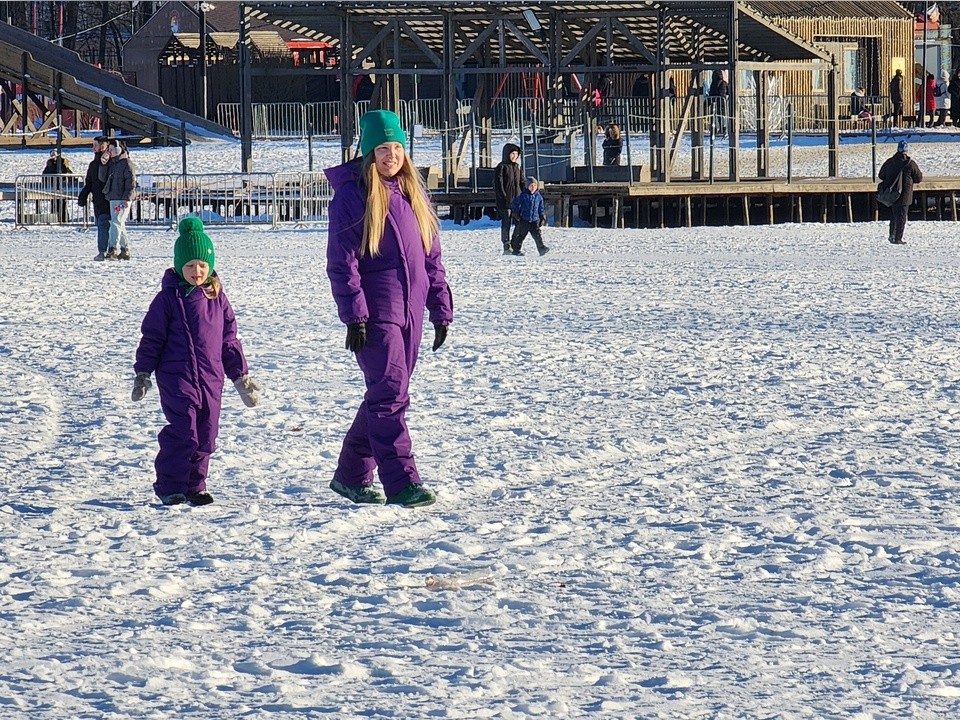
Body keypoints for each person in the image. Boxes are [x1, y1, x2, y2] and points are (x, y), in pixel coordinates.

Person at [325, 109, 454, 508]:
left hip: (411, 311)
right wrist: (355, 315)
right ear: (369, 152)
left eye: (397, 147)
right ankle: (401, 482)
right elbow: (341, 262)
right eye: (383, 148)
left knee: (385, 394)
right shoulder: (353, 195)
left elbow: (430, 257)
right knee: (390, 396)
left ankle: (351, 476)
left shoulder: (414, 193)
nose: (391, 156)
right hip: (378, 312)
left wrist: (440, 307)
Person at [131, 217, 261, 506]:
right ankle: (170, 486)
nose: (196, 271)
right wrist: (143, 372)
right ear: (179, 266)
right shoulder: (167, 299)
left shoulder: (217, 299)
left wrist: (241, 377)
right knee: (183, 431)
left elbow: (229, 340)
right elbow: (151, 337)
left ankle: (195, 485)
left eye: (202, 265)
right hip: (177, 378)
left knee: (206, 434)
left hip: (211, 379)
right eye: (189, 266)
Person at [878, 140, 922, 245]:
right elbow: (919, 178)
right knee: (902, 217)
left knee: (894, 215)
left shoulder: (889, 162)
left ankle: (892, 235)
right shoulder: (910, 163)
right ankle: (898, 238)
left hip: (892, 193)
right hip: (905, 194)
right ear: (906, 150)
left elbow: (881, 175)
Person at [98, 139, 136, 260]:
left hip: (122, 199)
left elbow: (131, 183)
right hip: (113, 197)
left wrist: (127, 197)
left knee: (116, 222)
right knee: (119, 223)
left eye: (111, 149)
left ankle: (113, 248)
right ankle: (125, 249)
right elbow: (103, 178)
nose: (109, 152)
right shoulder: (112, 164)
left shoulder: (127, 163)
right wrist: (103, 164)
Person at [77, 136, 111, 261]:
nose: (93, 148)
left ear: (102, 146)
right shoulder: (93, 164)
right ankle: (109, 250)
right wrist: (83, 195)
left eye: (95, 145)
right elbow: (89, 183)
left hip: (109, 200)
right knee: (105, 225)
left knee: (105, 225)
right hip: (98, 200)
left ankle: (105, 251)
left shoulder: (112, 162)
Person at [493, 142, 523, 255]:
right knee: (506, 223)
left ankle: (515, 245)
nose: (515, 156)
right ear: (507, 154)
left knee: (520, 223)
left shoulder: (517, 167)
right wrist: (504, 198)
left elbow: (522, 182)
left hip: (517, 201)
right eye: (512, 154)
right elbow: (498, 185)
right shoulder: (501, 167)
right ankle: (506, 244)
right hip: (505, 202)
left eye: (516, 154)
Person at [509, 176, 549, 257]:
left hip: (534, 219)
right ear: (527, 186)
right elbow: (515, 204)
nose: (533, 187)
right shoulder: (523, 195)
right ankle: (516, 250)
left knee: (537, 235)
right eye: (531, 186)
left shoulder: (538, 196)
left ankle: (541, 249)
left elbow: (541, 207)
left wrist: (542, 216)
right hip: (524, 219)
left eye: (535, 185)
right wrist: (516, 213)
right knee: (521, 235)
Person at [42, 150, 73, 223]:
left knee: (62, 203)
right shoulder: (50, 163)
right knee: (54, 202)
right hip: (53, 186)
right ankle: (54, 218)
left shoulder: (63, 163)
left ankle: (64, 218)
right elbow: (45, 174)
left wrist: (71, 180)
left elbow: (68, 172)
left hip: (62, 186)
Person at [708, 69, 729, 135]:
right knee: (722, 115)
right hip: (722, 101)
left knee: (714, 116)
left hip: (714, 101)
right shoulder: (723, 82)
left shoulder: (713, 83)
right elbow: (727, 91)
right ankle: (723, 129)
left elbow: (711, 92)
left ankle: (715, 129)